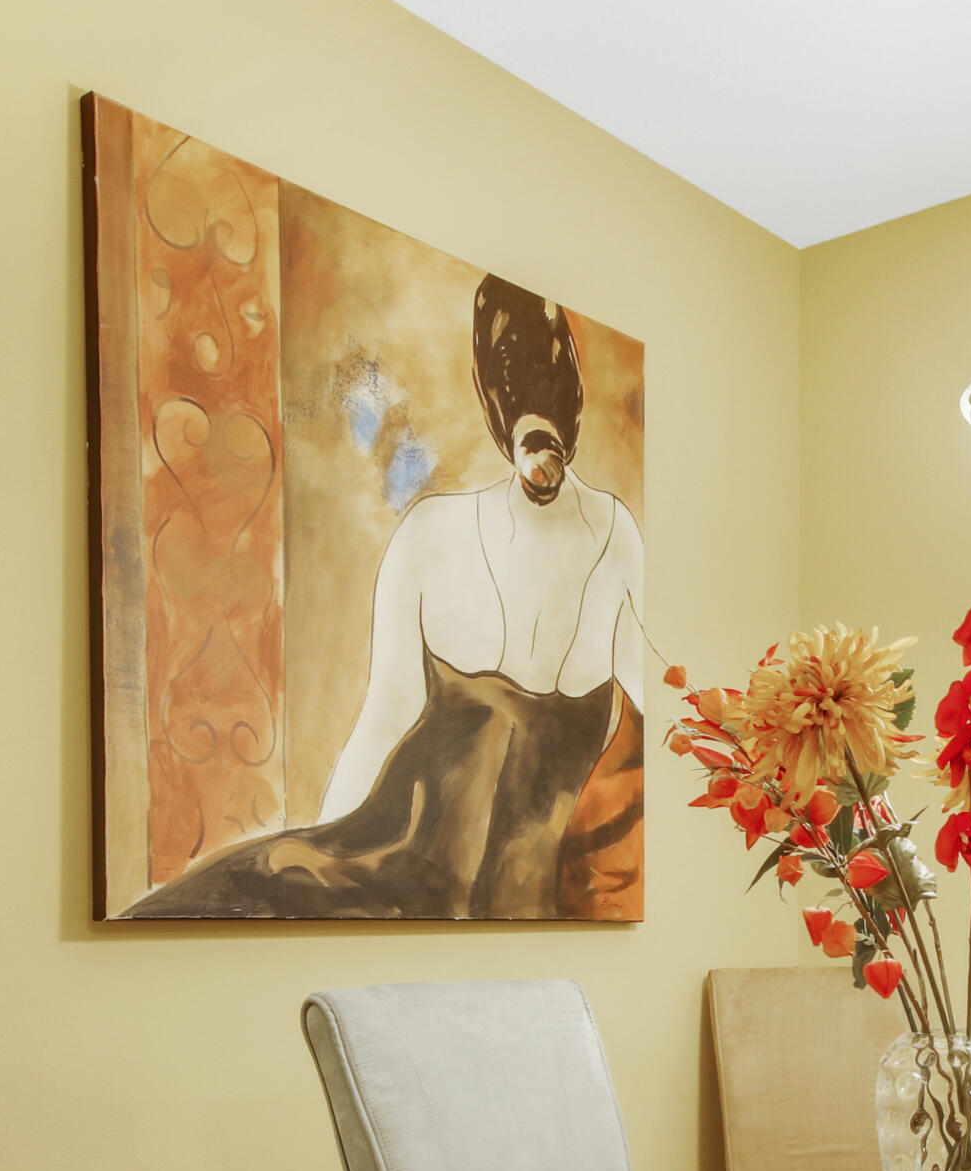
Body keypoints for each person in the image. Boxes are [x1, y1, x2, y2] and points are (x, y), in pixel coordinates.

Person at [133, 276, 645, 919]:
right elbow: (383, 718)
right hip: (392, 878)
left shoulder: (615, 538)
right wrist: (317, 845)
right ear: (493, 404)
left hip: (521, 903)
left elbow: (656, 725)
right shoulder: (434, 534)